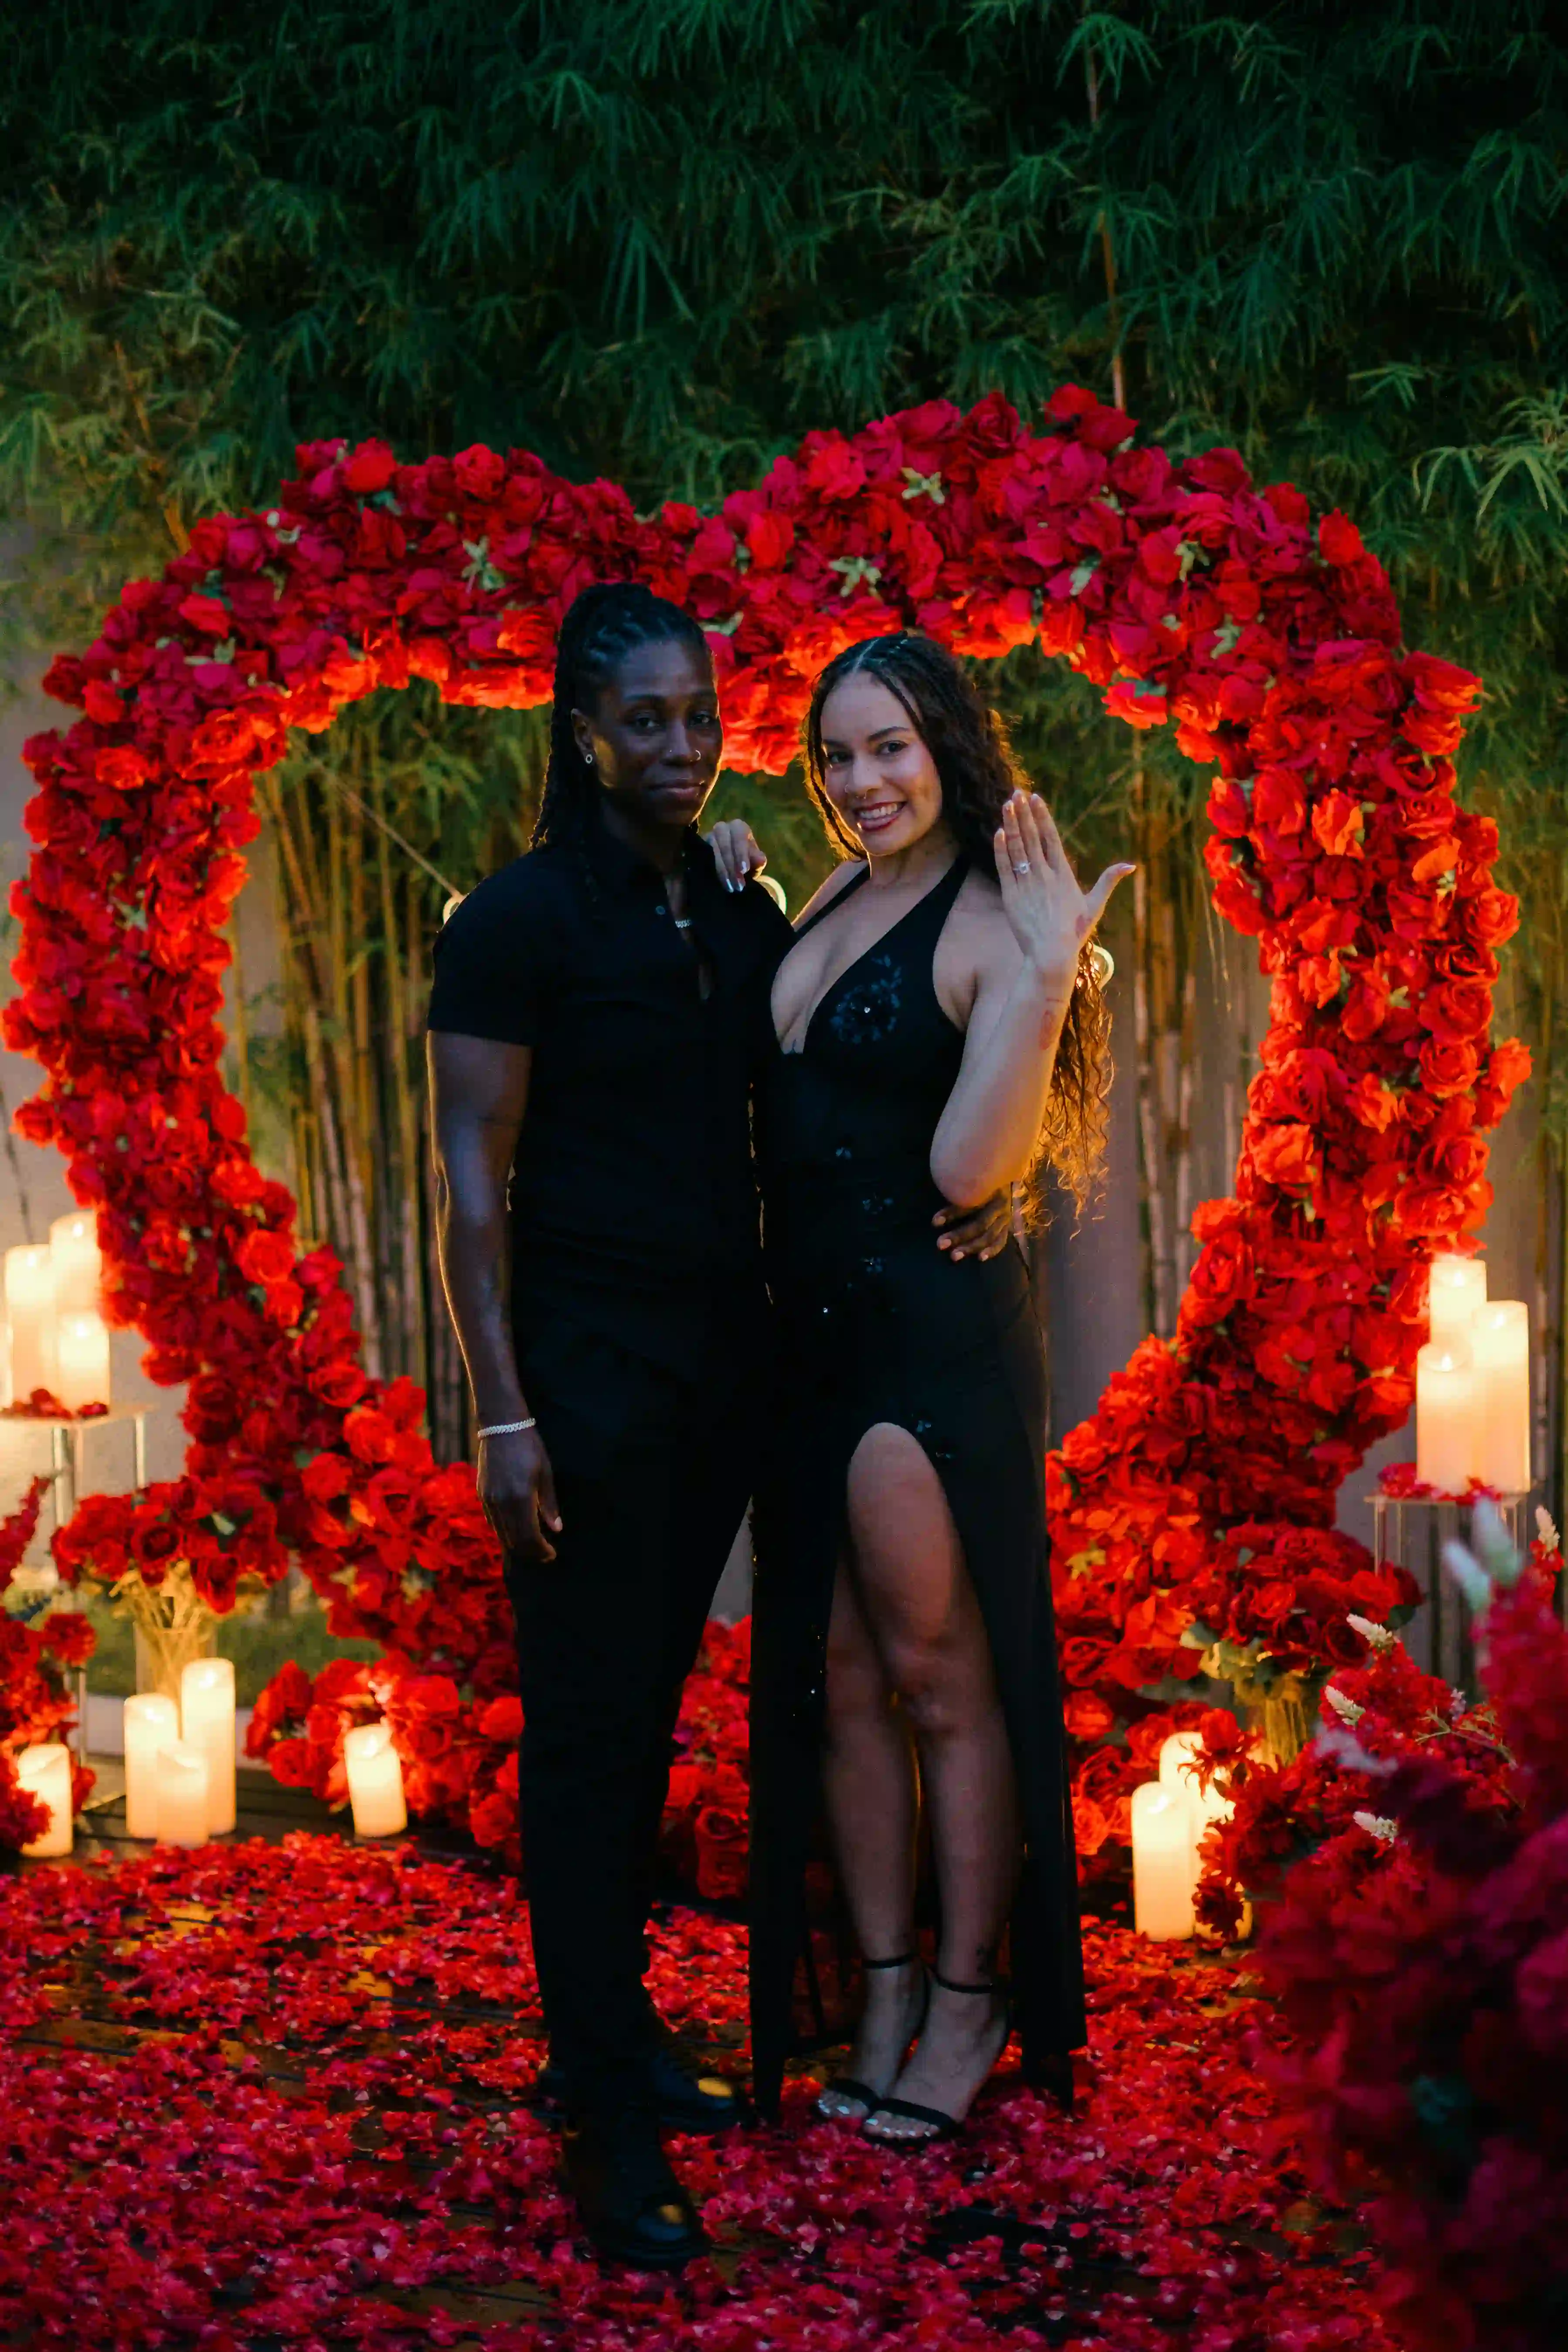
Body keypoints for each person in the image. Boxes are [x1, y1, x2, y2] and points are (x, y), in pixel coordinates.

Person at [426, 584, 1005, 2267]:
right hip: (587, 1385)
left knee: (710, 1707)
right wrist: (502, 1408)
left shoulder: (735, 904)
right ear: (581, 729)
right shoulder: (516, 923)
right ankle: (604, 2110)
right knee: (593, 1734)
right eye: (647, 721)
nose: (682, 748)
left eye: (702, 717)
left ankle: (642, 2043)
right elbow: (471, 1176)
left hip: (738, 1373)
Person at [748, 630, 1132, 2141]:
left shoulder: (988, 917)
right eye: (836, 755)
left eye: (889, 748)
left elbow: (972, 1167)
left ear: (949, 745)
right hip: (806, 1343)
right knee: (843, 1687)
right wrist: (740, 886)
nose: (860, 782)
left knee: (936, 1678)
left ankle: (969, 2006)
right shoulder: (842, 886)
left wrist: (1044, 975)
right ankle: (886, 1984)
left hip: (923, 1341)